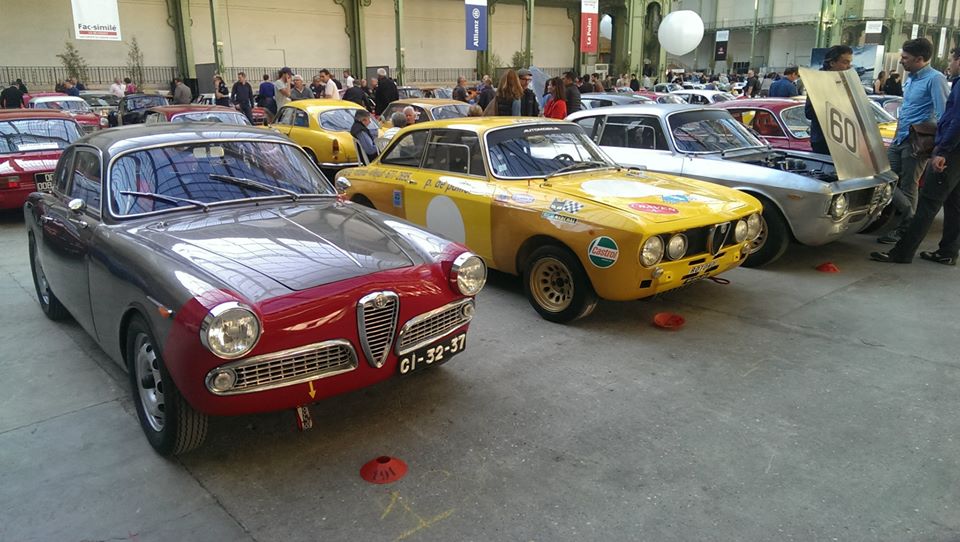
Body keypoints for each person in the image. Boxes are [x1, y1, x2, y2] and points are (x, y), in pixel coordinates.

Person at [871, 47, 960, 265]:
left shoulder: (939, 80)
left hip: (943, 150)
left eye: (951, 60)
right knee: (954, 205)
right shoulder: (913, 79)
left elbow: (951, 119)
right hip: (906, 140)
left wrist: (941, 150)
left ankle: (902, 251)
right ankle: (947, 252)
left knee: (927, 204)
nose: (949, 64)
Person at [878, 38, 949, 244]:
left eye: (905, 58)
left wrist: (939, 147)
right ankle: (910, 218)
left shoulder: (935, 79)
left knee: (909, 185)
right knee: (885, 178)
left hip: (916, 142)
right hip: (899, 138)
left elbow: (944, 114)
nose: (901, 61)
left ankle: (906, 230)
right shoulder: (911, 78)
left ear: (920, 59)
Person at [805, 45, 853, 155]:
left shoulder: (844, 81)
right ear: (832, 63)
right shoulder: (818, 81)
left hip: (843, 140)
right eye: (845, 62)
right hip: (824, 141)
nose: (849, 66)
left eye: (850, 62)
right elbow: (809, 112)